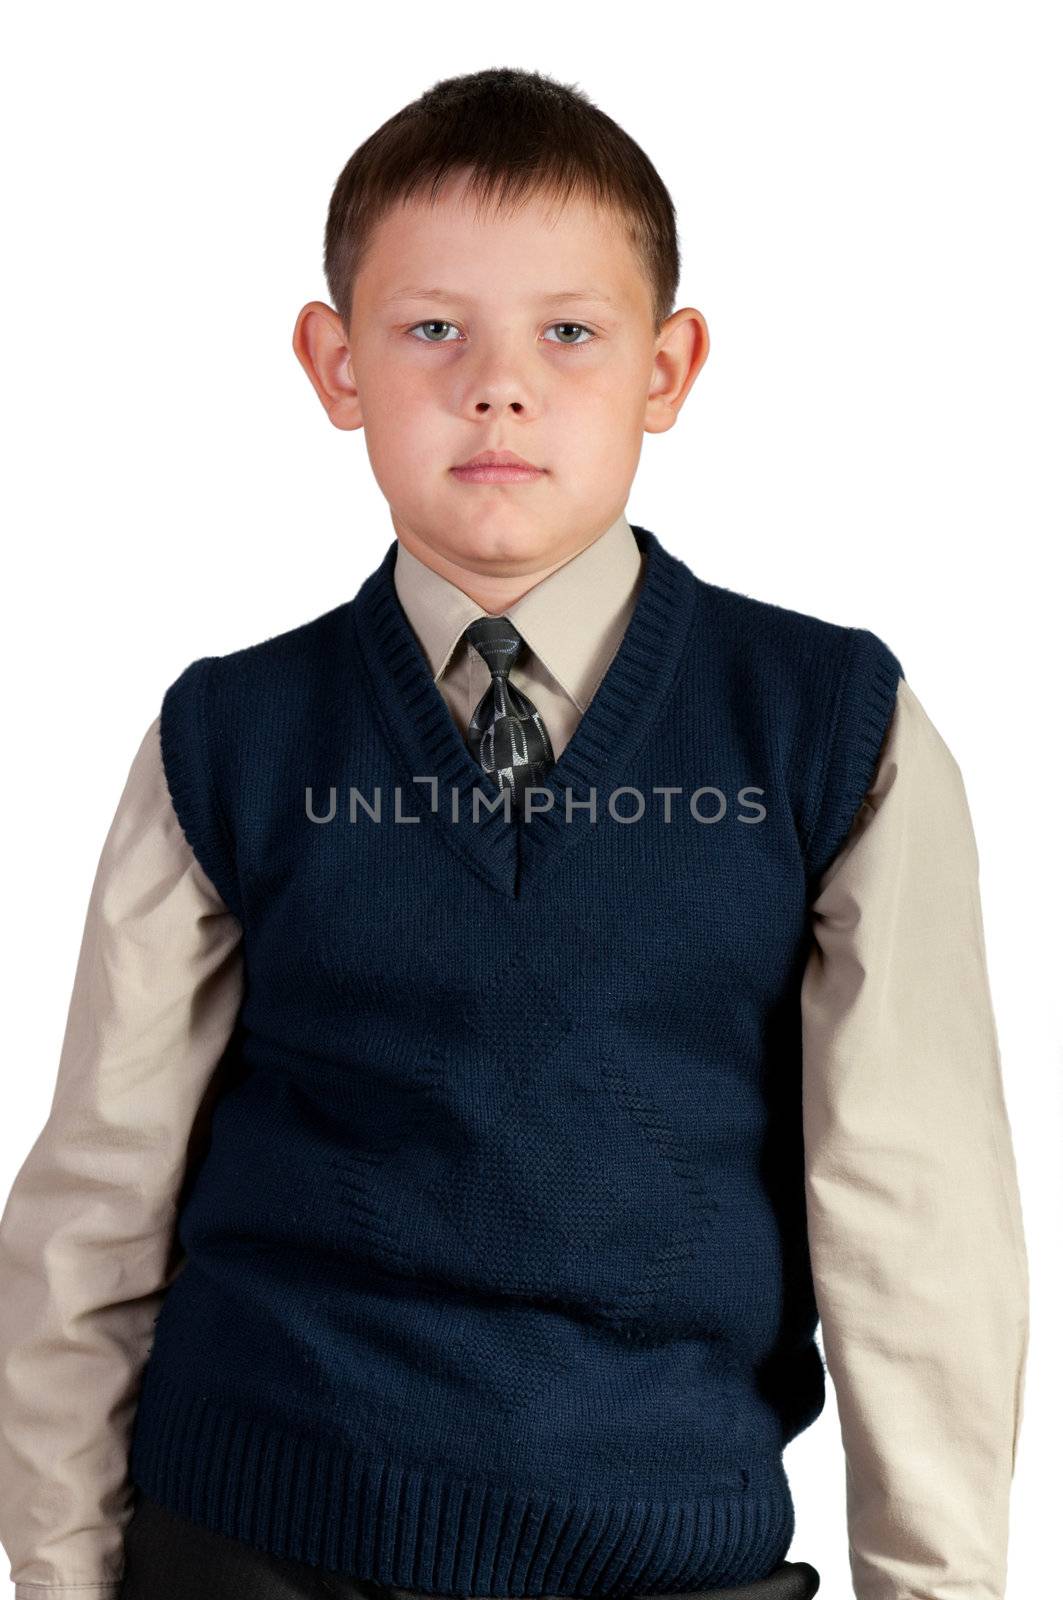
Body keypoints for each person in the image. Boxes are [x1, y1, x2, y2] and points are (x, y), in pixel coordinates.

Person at [0, 66, 1027, 1600]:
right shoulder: (229, 736)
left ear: (667, 369)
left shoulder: (828, 727)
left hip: (663, 1558)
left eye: (569, 331)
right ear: (333, 364)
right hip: (254, 1548)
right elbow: (96, 1200)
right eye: (431, 331)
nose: (498, 386)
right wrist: (64, 1575)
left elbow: (915, 1213)